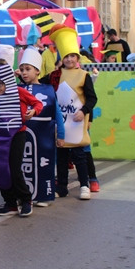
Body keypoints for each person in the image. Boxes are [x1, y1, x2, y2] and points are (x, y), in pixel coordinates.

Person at [0, 46, 43, 217]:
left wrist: (33, 111)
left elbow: (37, 103)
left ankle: (26, 199)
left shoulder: (19, 91)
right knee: (2, 169)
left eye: (0, 83)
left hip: (18, 133)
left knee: (14, 168)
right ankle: (10, 202)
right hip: (2, 135)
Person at [44, 24, 97, 200]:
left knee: (79, 156)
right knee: (61, 156)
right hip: (60, 122)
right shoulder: (54, 75)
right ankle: (62, 187)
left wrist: (84, 111)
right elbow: (39, 84)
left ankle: (84, 185)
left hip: (76, 120)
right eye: (66, 56)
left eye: (72, 56)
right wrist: (22, 75)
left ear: (77, 57)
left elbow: (92, 98)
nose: (69, 60)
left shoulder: (84, 75)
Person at [16, 47, 64, 206]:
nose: (24, 72)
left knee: (45, 166)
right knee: (22, 165)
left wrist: (61, 135)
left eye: (28, 69)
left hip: (44, 134)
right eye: (22, 69)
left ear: (37, 71)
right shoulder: (18, 89)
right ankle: (23, 196)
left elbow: (57, 113)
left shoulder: (48, 89)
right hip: (22, 134)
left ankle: (44, 195)